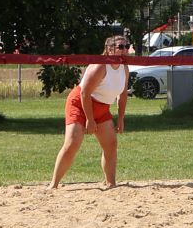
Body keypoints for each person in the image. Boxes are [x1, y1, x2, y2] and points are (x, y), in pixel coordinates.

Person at [51, 34, 132, 189]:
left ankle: (111, 183)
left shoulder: (124, 67)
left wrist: (121, 118)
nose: (124, 50)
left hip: (102, 108)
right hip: (80, 105)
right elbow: (84, 93)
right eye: (120, 47)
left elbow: (123, 94)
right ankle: (53, 184)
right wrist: (89, 119)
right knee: (72, 144)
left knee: (111, 144)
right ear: (109, 49)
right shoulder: (100, 66)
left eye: (126, 47)